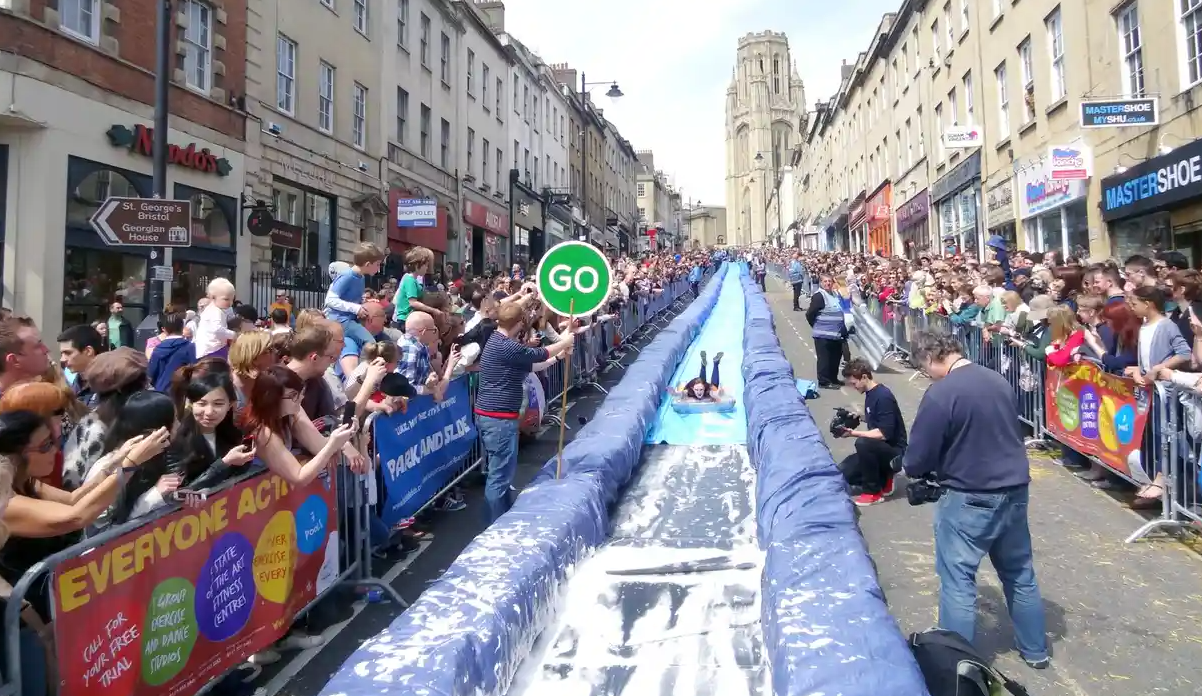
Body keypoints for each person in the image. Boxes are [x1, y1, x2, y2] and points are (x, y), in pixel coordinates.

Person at [902, 331, 1049, 670]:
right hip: (1013, 488)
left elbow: (917, 458)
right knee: (1019, 573)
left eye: (924, 368)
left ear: (929, 358)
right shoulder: (996, 380)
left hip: (970, 494)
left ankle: (959, 665)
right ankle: (1036, 650)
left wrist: (914, 467)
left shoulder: (942, 393)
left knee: (958, 579)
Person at [475, 301, 575, 523]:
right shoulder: (506, 346)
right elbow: (539, 354)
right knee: (499, 476)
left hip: (495, 417)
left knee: (500, 473)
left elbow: (532, 364)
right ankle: (496, 524)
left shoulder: (498, 341)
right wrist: (564, 342)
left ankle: (501, 516)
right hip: (498, 419)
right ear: (519, 323)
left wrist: (558, 357)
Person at [837, 358, 907, 506]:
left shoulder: (883, 396)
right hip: (880, 448)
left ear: (864, 377)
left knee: (863, 443)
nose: (853, 387)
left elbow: (883, 433)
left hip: (894, 450)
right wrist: (858, 417)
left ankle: (873, 492)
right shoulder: (871, 394)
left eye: (854, 383)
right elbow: (877, 418)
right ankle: (884, 477)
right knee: (844, 473)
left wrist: (852, 433)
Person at [325, 242, 386, 350]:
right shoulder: (347, 276)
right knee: (370, 342)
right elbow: (330, 300)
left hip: (350, 319)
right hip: (339, 320)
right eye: (377, 264)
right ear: (367, 264)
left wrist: (368, 304)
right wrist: (356, 308)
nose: (379, 268)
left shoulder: (361, 277)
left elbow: (352, 300)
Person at [805, 274, 847, 389]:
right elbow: (810, 314)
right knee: (824, 359)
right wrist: (816, 325)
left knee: (835, 357)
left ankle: (833, 378)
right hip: (823, 334)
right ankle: (824, 381)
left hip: (836, 334)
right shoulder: (819, 296)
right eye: (825, 281)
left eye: (829, 281)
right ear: (821, 283)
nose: (828, 283)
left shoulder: (834, 294)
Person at [57, 324, 104, 409]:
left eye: (68, 353)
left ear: (88, 351)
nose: (62, 359)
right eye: (62, 354)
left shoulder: (110, 383)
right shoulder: (78, 381)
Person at [147, 310, 195, 392]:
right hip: (182, 393)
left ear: (164, 329)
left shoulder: (158, 349)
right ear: (182, 327)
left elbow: (151, 374)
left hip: (161, 391)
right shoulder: (190, 347)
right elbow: (194, 371)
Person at [193, 278, 237, 360]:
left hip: (206, 349)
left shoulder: (211, 309)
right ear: (213, 297)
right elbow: (217, 330)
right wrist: (234, 335)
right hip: (213, 349)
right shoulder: (216, 311)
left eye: (232, 299)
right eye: (226, 299)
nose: (230, 302)